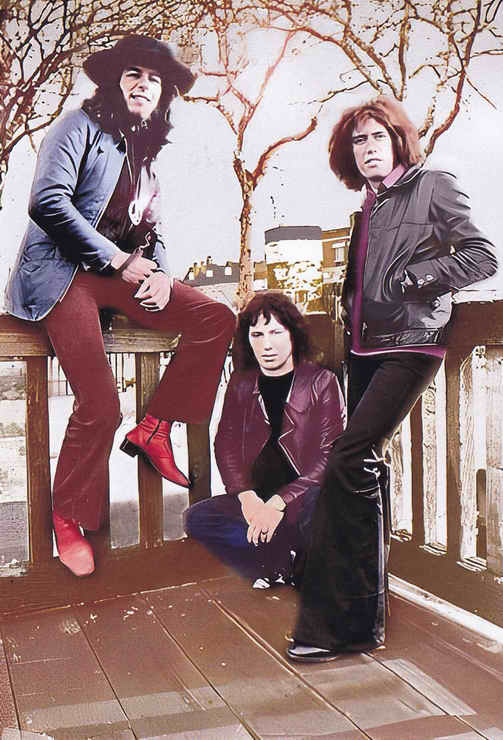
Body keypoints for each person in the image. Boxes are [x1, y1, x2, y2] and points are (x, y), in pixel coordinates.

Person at [4, 35, 235, 578]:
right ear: (115, 81)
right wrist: (119, 260)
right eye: (134, 74)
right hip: (63, 276)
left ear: (164, 94)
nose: (143, 85)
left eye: (154, 79)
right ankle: (68, 519)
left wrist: (161, 275)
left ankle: (154, 428)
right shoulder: (77, 126)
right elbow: (47, 201)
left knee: (217, 318)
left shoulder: (146, 157)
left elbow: (154, 232)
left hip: (119, 277)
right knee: (101, 402)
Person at [287, 96, 498, 662]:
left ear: (399, 140)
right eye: (358, 141)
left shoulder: (434, 185)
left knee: (348, 458)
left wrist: (413, 280)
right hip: (363, 349)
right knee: (362, 469)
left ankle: (334, 626)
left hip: (411, 344)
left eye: (378, 137)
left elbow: (483, 256)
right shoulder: (369, 206)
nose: (368, 148)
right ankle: (365, 618)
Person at [184, 292, 345, 588]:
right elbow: (225, 445)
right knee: (197, 519)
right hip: (257, 498)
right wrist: (247, 497)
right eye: (257, 334)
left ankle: (277, 557)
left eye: (275, 332)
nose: (266, 345)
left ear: (293, 334)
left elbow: (329, 457)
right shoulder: (241, 383)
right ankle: (278, 555)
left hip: (301, 498)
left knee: (321, 511)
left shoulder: (322, 382)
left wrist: (279, 503)